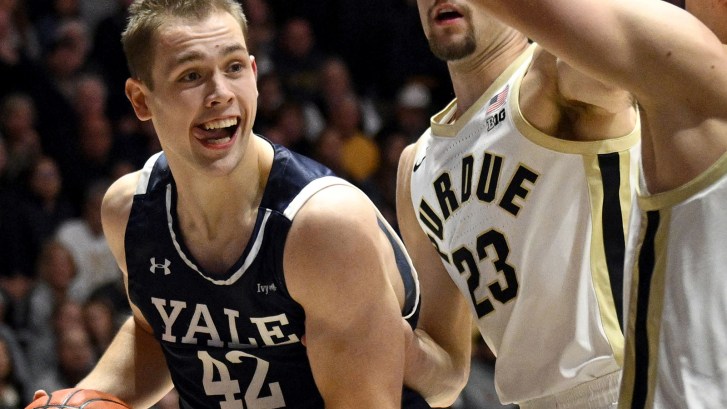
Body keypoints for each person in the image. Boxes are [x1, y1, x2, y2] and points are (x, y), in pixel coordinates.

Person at [31, 1, 431, 408]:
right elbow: (158, 334)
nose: (220, 94)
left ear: (255, 76)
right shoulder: (130, 211)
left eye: (235, 67)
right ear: (141, 100)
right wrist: (84, 399)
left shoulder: (323, 227)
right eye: (191, 75)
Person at [435, 0, 727, 408]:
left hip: (617, 382)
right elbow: (445, 372)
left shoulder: (555, 74)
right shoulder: (418, 161)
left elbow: (611, 61)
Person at [397, 0, 642, 407]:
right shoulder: (415, 167)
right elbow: (447, 380)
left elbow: (626, 48)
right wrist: (382, 334)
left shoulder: (556, 74)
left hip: (628, 384)